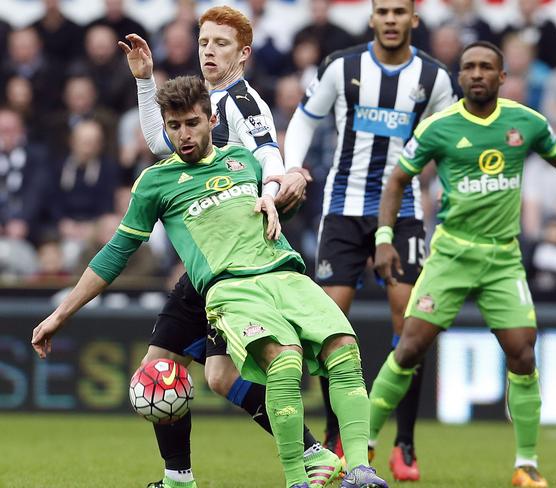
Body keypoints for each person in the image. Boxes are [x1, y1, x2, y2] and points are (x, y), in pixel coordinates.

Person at [31, 75, 388, 488]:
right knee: (167, 371)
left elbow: (271, 215)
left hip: (276, 274)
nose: (183, 135)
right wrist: (61, 314)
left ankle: (349, 468)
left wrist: (289, 197)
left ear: (212, 119)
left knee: (241, 371)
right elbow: (115, 253)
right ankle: (188, 477)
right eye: (174, 126)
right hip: (221, 287)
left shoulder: (244, 161)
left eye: (192, 123)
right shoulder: (155, 182)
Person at [367, 40, 556, 488]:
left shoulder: (525, 123)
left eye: (485, 67)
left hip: (502, 258)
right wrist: (384, 237)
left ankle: (525, 465)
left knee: (523, 353)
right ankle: (364, 446)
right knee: (409, 347)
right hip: (451, 253)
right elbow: (397, 179)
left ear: (502, 77)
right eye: (468, 66)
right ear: (460, 77)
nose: (476, 73)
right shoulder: (439, 127)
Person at [117, 7, 330, 488]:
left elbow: (268, 154)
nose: (209, 50)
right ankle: (308, 454)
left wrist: (279, 184)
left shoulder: (241, 101)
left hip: (240, 265)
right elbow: (160, 142)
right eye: (204, 41)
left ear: (244, 53)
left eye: (221, 43)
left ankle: (186, 478)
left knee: (162, 368)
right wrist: (146, 81)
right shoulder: (208, 100)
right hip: (210, 265)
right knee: (213, 375)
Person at [283, 0, 455, 481]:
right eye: (384, 11)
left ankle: (404, 443)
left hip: (401, 216)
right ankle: (336, 434)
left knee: (412, 326)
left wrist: (445, 196)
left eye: (401, 11)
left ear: (413, 20)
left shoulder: (435, 79)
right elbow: (304, 118)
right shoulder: (343, 66)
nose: (393, 19)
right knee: (327, 325)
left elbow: (449, 143)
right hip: (342, 211)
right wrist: (294, 167)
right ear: (374, 18)